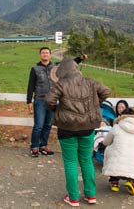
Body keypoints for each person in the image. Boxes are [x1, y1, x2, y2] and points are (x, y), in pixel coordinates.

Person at [45, 57, 110, 207]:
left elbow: (48, 100)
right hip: (87, 127)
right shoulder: (90, 82)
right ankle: (91, 195)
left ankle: (73, 197)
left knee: (70, 162)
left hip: (66, 128)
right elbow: (106, 91)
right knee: (86, 160)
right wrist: (95, 104)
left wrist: (57, 110)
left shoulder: (61, 84)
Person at [27, 47, 87, 157]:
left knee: (48, 124)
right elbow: (31, 86)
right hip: (40, 100)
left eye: (47, 53)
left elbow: (70, 63)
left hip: (54, 100)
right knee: (38, 125)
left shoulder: (56, 66)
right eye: (43, 53)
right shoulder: (35, 69)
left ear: (50, 55)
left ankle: (43, 146)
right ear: (40, 55)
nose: (45, 54)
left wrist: (80, 58)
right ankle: (34, 147)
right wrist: (29, 101)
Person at [102, 108, 134, 196]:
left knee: (110, 149)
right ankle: (133, 182)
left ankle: (114, 181)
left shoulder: (116, 127)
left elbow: (106, 142)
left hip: (116, 162)